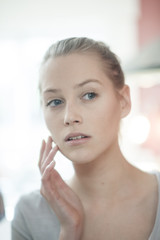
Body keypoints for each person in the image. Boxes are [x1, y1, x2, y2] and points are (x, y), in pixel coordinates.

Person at [12, 37, 160, 240]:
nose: (69, 117)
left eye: (89, 95)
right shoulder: (29, 216)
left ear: (124, 101)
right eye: (55, 101)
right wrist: (69, 232)